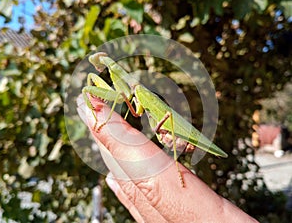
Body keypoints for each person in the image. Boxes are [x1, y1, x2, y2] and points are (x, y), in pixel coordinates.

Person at [77, 95, 258, 222]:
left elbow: (136, 110)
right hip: (167, 132)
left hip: (174, 132)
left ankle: (178, 169)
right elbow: (135, 111)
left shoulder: (138, 92)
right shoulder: (133, 93)